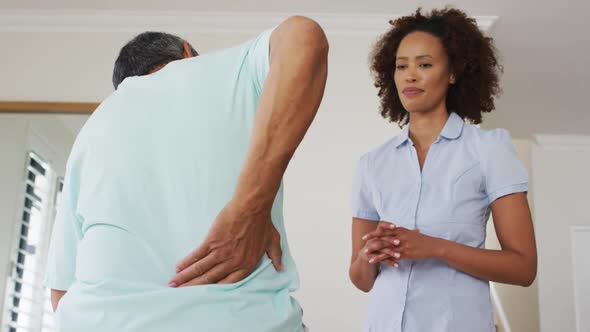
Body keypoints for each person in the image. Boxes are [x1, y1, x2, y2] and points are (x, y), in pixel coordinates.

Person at [46, 16, 328, 332]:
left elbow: (61, 292)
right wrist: (249, 209)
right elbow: (305, 36)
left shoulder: (92, 129)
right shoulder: (224, 71)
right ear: (187, 54)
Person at [348, 8, 537, 332]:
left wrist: (435, 247)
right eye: (401, 66)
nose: (410, 75)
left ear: (452, 73)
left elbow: (523, 268)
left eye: (424, 64)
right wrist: (367, 255)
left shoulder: (488, 150)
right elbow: (362, 280)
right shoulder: (372, 164)